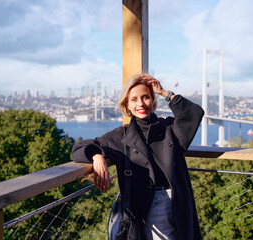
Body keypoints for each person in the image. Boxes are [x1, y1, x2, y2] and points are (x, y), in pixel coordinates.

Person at [72, 73, 204, 240]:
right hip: (146, 210)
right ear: (126, 104)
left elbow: (194, 114)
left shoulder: (170, 129)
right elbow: (79, 148)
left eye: (145, 97)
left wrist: (164, 92)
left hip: (178, 204)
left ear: (153, 100)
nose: (140, 104)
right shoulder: (121, 136)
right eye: (134, 99)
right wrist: (97, 156)